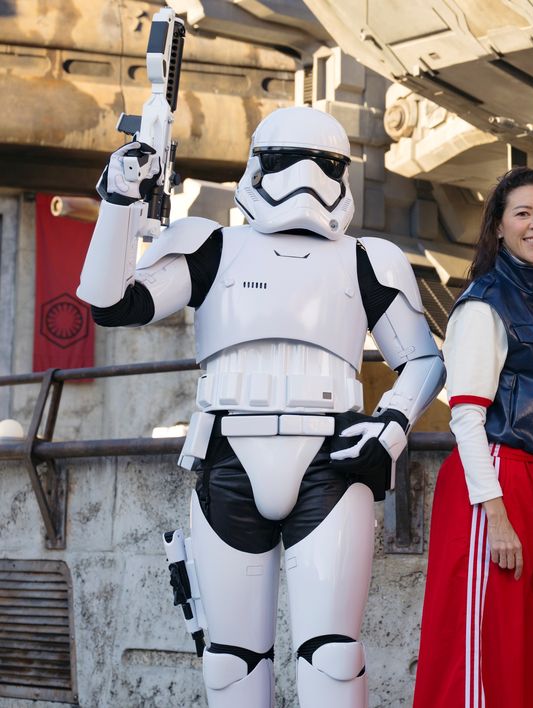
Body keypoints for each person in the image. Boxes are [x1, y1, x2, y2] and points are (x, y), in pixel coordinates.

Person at [77, 106, 446, 706]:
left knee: (333, 656)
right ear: (257, 166)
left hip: (334, 460)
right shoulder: (210, 245)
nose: (304, 178)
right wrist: (121, 199)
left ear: (342, 172)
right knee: (230, 663)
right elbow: (111, 304)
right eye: (284, 162)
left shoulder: (369, 259)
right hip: (229, 456)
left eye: (323, 164)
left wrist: (393, 427)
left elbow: (425, 361)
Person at [413, 167, 533, 708]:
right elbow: (464, 416)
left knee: (520, 642)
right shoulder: (485, 303)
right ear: (499, 227)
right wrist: (498, 514)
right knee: (475, 648)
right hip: (495, 483)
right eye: (524, 214)